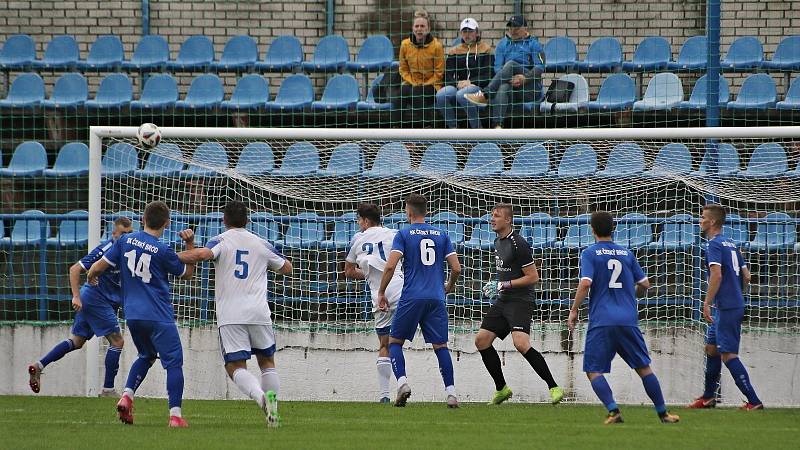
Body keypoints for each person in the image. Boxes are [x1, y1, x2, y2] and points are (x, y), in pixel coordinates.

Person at [177, 201, 292, 427]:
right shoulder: (261, 243)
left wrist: (172, 255)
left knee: (235, 366)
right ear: (247, 220)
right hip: (259, 312)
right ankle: (273, 410)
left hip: (231, 314)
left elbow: (203, 254)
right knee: (267, 361)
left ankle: (261, 398)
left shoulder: (221, 240)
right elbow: (286, 267)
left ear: (224, 220)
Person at [87, 201, 195, 428]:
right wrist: (189, 244)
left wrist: (91, 277)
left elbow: (97, 268)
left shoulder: (125, 241)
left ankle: (127, 395)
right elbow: (187, 274)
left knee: (146, 355)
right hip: (158, 315)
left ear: (143, 220)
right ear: (167, 223)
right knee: (174, 363)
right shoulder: (163, 250)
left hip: (133, 316)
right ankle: (175, 416)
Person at [568, 211, 680, 424]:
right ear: (614, 228)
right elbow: (645, 284)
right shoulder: (627, 253)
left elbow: (585, 283)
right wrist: (630, 293)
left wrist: (574, 310)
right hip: (628, 319)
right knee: (643, 368)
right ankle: (663, 413)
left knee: (593, 370)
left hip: (602, 321)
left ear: (592, 230)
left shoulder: (590, 253)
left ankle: (613, 410)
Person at [28, 217, 133, 396]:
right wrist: (76, 296)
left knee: (77, 342)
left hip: (97, 300)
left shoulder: (127, 251)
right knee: (117, 341)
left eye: (129, 233)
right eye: (122, 233)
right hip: (95, 300)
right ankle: (108, 389)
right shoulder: (105, 249)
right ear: (113, 233)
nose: (126, 237)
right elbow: (75, 269)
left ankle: (39, 366)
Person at [377, 194, 461, 408]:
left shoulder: (404, 234)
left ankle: (403, 383)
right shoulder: (442, 234)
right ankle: (451, 393)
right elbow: (457, 268)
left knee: (394, 342)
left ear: (409, 211)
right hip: (436, 297)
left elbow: (390, 266)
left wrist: (381, 292)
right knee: (440, 346)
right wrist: (449, 286)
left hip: (412, 296)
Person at [475, 204, 563, 405]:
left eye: (496, 216)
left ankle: (554, 387)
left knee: (521, 344)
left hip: (520, 300)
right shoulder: (498, 241)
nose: (492, 219)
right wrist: (497, 286)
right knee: (481, 340)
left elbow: (533, 277)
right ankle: (502, 389)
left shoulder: (519, 243)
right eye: (491, 215)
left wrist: (504, 284)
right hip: (504, 299)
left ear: (508, 220)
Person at [688, 204, 763, 410]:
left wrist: (707, 302)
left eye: (702, 217)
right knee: (711, 349)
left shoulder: (713, 245)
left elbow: (717, 275)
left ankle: (754, 401)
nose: (700, 220)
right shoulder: (731, 244)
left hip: (726, 307)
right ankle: (708, 397)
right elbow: (746, 276)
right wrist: (736, 293)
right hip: (731, 304)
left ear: (712, 222)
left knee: (728, 354)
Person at [343, 203, 405, 403]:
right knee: (432, 341)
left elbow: (349, 271)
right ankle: (449, 389)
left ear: (366, 221)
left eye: (359, 220)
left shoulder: (357, 240)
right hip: (403, 290)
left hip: (380, 296)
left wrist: (369, 275)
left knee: (384, 345)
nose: (359, 224)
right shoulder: (395, 233)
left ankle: (385, 396)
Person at [464, 15, 545, 128]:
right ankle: (497, 126)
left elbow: (540, 67)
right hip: (511, 86)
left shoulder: (534, 44)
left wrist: (525, 78)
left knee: (511, 64)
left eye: (516, 28)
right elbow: (497, 67)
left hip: (530, 89)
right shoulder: (503, 44)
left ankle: (485, 94)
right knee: (503, 87)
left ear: (525, 28)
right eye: (510, 28)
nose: (513, 31)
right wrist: (508, 77)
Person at [434, 18, 494, 129]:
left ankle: (477, 130)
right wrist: (457, 83)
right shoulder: (455, 51)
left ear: (476, 32)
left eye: (470, 31)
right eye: (464, 31)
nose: (467, 34)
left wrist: (471, 82)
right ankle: (454, 130)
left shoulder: (486, 49)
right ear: (461, 33)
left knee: (462, 95)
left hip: (479, 89)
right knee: (441, 95)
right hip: (459, 86)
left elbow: (489, 75)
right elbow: (447, 75)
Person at [395, 10, 445, 128]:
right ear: (413, 28)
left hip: (432, 85)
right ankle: (396, 129)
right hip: (413, 83)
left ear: (428, 29)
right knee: (402, 92)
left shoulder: (437, 46)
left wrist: (424, 84)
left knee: (417, 92)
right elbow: (403, 69)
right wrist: (413, 82)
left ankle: (427, 127)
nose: (419, 29)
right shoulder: (405, 45)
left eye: (422, 26)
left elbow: (439, 72)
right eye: (416, 26)